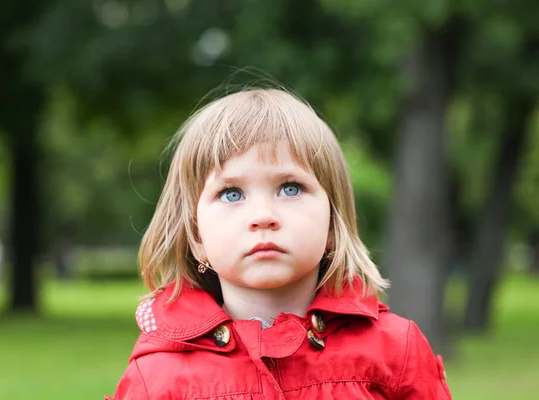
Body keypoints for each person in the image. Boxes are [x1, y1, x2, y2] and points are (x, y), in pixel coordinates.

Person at [106, 88, 452, 399]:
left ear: (334, 223)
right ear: (197, 237)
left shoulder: (394, 352)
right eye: (231, 193)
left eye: (290, 188)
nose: (262, 215)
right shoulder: (158, 377)